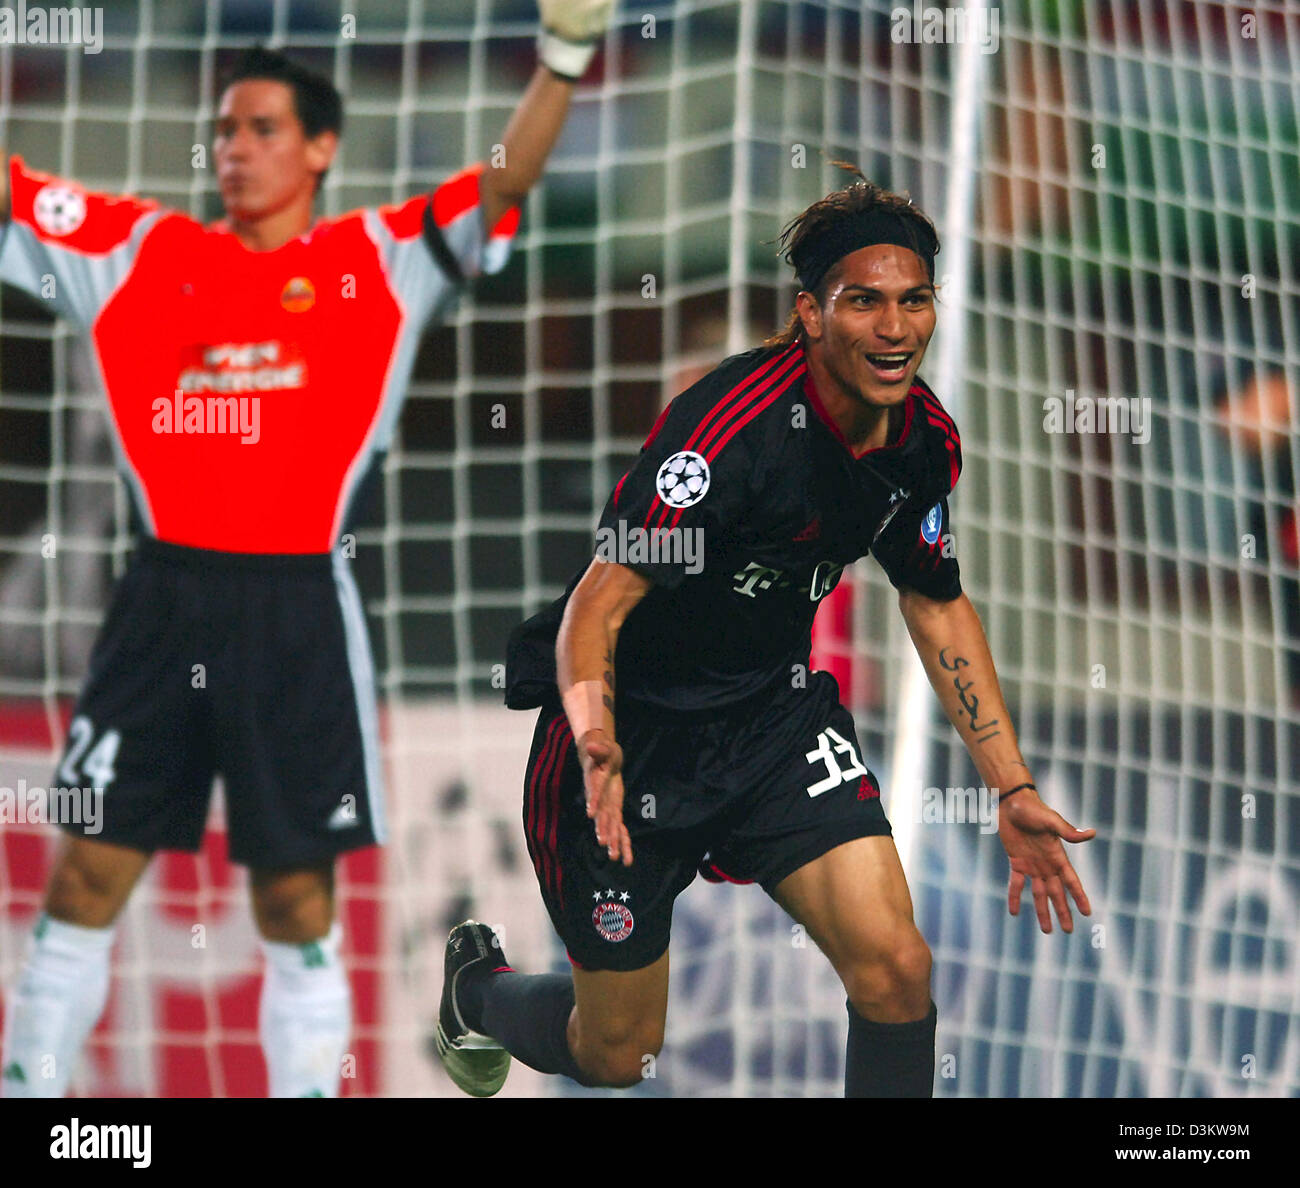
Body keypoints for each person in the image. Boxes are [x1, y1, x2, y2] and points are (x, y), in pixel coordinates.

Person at [0, 0, 615, 1099]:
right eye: (225, 129)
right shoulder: (140, 250)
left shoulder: (375, 263)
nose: (234, 148)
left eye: (263, 128)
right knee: (88, 873)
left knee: (293, 900)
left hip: (295, 610)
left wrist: (562, 58)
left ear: (323, 145)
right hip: (159, 602)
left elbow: (505, 183)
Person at [435, 169, 1096, 1098]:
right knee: (617, 1055)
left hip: (773, 727)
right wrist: (593, 746)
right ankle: (475, 990)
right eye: (862, 302)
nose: (894, 328)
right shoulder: (721, 439)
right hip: (632, 741)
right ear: (811, 315)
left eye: (913, 301)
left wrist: (1010, 783)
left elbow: (935, 596)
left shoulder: (922, 443)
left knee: (898, 968)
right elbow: (595, 608)